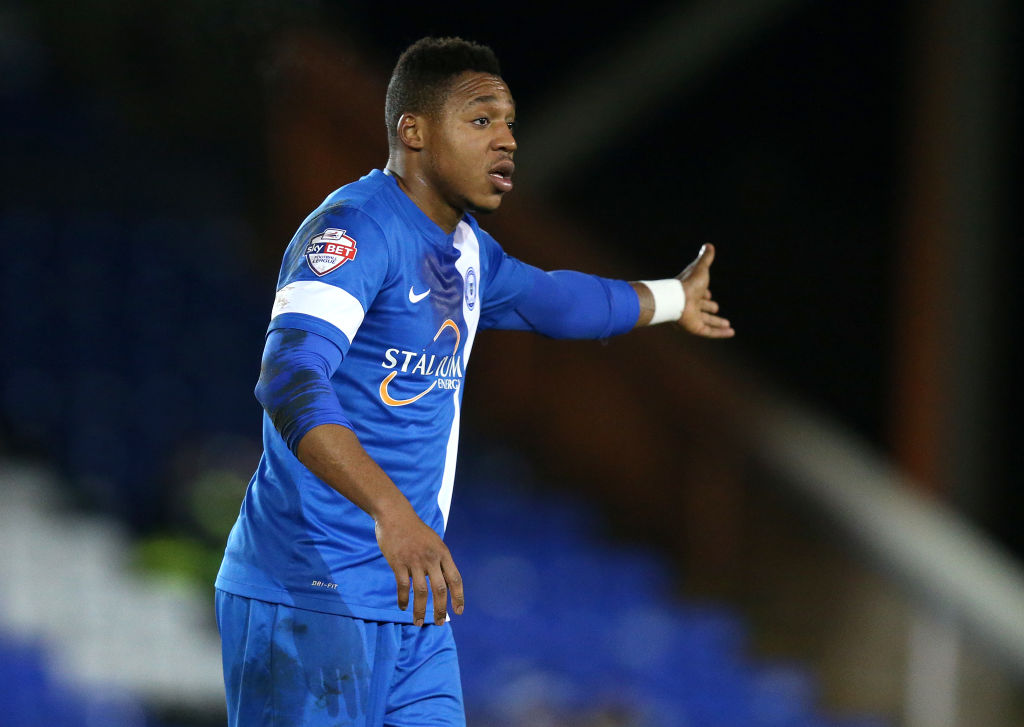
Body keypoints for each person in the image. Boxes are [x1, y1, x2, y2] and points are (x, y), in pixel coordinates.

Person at [214, 36, 734, 727]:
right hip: (309, 593)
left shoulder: (464, 251)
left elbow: (555, 300)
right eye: (482, 120)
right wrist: (391, 511)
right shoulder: (353, 230)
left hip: (407, 603)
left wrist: (673, 298)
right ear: (415, 132)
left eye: (511, 122)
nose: (507, 141)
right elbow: (288, 378)